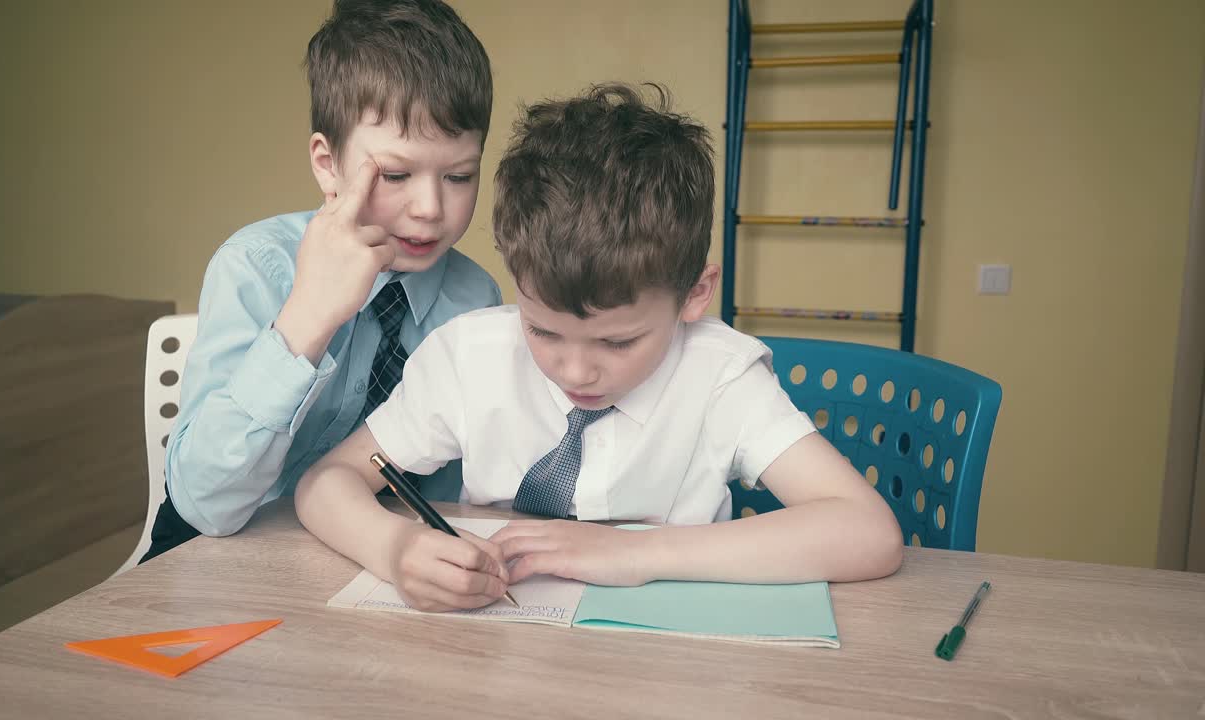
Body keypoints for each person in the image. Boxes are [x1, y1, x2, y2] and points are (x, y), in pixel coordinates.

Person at [295, 83, 904, 611]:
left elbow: (868, 532)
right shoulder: (469, 357)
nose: (576, 370)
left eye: (618, 341)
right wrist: (394, 547)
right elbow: (326, 481)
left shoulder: (720, 376)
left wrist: (638, 552)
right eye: (542, 330)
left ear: (695, 295)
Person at [142, 0, 501, 561]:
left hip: (371, 554)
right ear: (328, 164)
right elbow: (205, 505)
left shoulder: (475, 299)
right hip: (223, 544)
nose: (431, 208)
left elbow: (453, 494)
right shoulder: (256, 267)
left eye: (460, 176)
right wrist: (309, 316)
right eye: (397, 174)